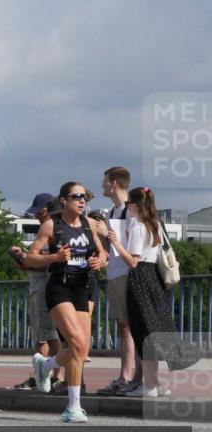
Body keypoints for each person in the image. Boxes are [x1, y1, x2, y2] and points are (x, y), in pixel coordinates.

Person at [25, 182, 107, 423]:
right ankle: (73, 407)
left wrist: (99, 261)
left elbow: (103, 252)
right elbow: (31, 256)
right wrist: (54, 257)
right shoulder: (52, 225)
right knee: (77, 342)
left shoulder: (90, 224)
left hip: (84, 286)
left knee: (81, 349)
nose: (82, 201)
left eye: (84, 197)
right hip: (60, 287)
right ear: (63, 200)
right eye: (76, 197)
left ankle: (46, 366)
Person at [106, 187, 177, 398]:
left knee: (141, 331)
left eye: (128, 205)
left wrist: (116, 242)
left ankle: (149, 385)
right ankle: (154, 383)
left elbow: (133, 261)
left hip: (139, 280)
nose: (127, 209)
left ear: (134, 206)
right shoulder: (155, 224)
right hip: (153, 278)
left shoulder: (138, 225)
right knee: (152, 329)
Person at [7, 195, 64, 391]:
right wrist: (25, 262)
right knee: (47, 333)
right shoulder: (51, 227)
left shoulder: (51, 228)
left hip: (45, 288)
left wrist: (26, 259)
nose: (39, 217)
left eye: (41, 212)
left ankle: (49, 376)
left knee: (46, 335)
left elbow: (48, 263)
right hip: (41, 286)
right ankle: (48, 375)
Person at [97, 166, 139, 396]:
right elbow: (108, 248)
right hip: (115, 272)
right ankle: (126, 375)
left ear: (113, 183)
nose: (102, 185)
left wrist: (107, 236)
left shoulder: (129, 210)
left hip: (126, 273)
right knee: (123, 327)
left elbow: (134, 246)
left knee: (128, 327)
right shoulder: (113, 212)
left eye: (104, 181)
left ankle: (128, 376)